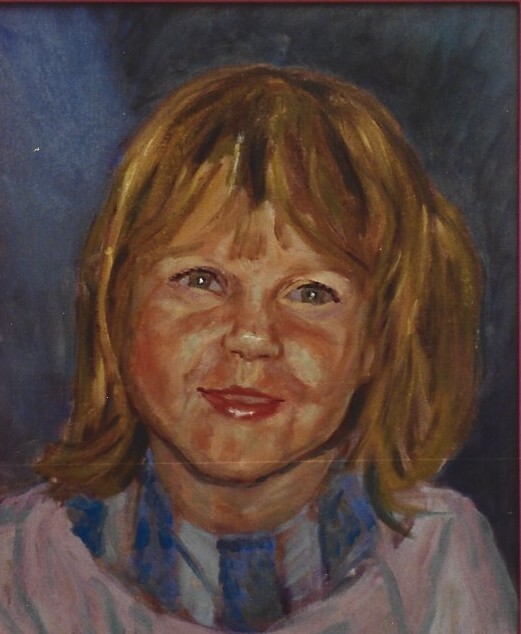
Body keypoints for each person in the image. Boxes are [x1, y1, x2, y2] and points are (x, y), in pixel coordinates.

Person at [0, 65, 516, 633]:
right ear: (117, 308)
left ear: (380, 339)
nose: (251, 337)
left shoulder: (439, 561)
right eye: (200, 280)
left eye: (311, 293)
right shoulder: (21, 566)